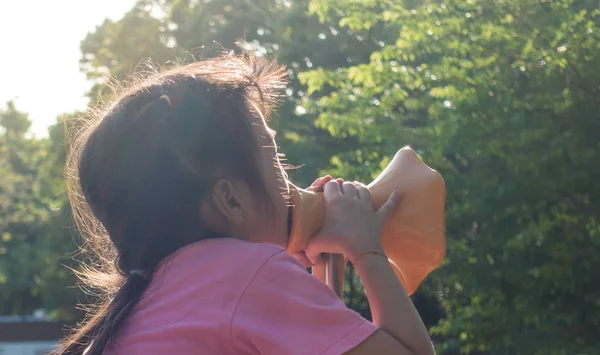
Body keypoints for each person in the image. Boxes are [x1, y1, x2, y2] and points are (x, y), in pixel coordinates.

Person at [55, 51, 434, 355]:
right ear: (230, 199)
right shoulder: (247, 272)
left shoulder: (146, 301)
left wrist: (320, 278)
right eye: (275, 158)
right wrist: (365, 249)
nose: (288, 179)